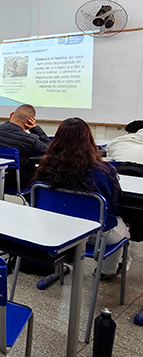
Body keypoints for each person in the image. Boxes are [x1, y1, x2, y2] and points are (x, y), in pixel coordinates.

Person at [34, 117, 130, 277]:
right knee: (124, 228)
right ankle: (107, 271)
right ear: (89, 140)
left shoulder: (44, 168)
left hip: (54, 230)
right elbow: (116, 207)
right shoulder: (103, 170)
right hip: (95, 234)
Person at [0, 104, 51, 193]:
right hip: (18, 183)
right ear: (30, 121)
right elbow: (50, 149)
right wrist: (35, 128)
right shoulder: (30, 140)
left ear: (11, 114)